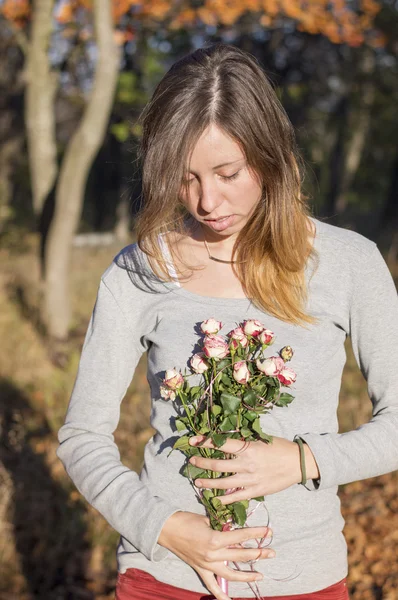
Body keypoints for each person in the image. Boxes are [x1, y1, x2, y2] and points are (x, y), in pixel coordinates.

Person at [57, 43, 398, 600]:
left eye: (227, 172)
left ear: (269, 156)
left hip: (304, 581)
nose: (206, 200)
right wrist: (166, 527)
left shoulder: (348, 263)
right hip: (161, 575)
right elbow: (81, 438)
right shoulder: (140, 270)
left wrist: (304, 459)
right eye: (184, 177)